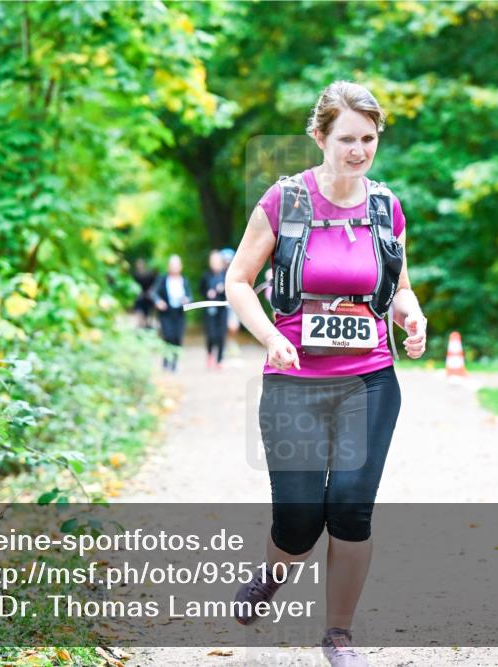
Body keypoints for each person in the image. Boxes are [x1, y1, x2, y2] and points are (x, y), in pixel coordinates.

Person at [226, 80, 426, 667]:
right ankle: (272, 575)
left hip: (370, 379)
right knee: (298, 518)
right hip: (293, 381)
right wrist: (269, 338)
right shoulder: (285, 202)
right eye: (346, 139)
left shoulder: (387, 207)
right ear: (320, 137)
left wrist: (411, 317)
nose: (358, 150)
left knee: (351, 508)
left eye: (368, 138)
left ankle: (339, 634)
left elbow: (400, 288)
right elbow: (238, 281)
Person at [152, 254, 192, 372]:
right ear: (169, 266)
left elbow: (190, 296)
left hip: (179, 313)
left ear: (180, 266)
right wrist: (158, 301)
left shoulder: (184, 280)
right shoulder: (163, 279)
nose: (174, 267)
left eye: (177, 265)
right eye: (172, 265)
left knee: (177, 337)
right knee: (167, 336)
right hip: (166, 313)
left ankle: (174, 364)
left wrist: (187, 300)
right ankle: (165, 362)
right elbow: (154, 293)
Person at [200, 249, 229, 369]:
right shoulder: (206, 275)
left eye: (217, 260)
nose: (215, 263)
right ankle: (210, 354)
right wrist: (208, 292)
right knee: (211, 335)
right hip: (210, 309)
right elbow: (201, 289)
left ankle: (220, 360)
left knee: (221, 335)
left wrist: (223, 289)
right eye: (213, 260)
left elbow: (233, 291)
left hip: (223, 309)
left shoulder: (226, 274)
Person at [131, 258, 157, 329]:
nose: (140, 266)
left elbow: (154, 283)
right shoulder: (135, 274)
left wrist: (150, 291)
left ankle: (148, 323)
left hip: (148, 295)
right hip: (139, 296)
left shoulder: (149, 274)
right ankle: (141, 324)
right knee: (139, 309)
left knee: (149, 309)